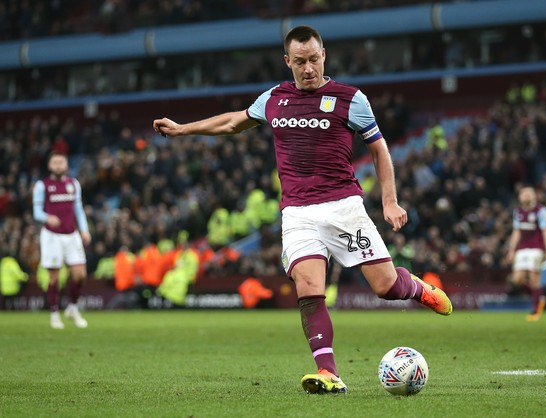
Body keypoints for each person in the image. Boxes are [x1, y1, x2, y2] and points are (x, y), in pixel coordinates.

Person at [153, 25, 452, 394]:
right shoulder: (274, 99)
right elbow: (233, 122)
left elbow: (379, 149)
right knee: (308, 288)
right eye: (299, 62)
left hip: (343, 207)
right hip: (297, 212)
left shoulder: (351, 99)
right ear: (287, 61)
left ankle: (416, 287)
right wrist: (182, 129)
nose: (308, 68)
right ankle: (328, 372)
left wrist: (389, 201)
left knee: (386, 287)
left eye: (313, 59)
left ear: (323, 55)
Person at [33, 151, 91, 329]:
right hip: (52, 236)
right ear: (50, 166)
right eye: (55, 163)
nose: (58, 166)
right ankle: (54, 314)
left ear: (66, 165)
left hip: (71, 234)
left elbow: (78, 209)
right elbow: (36, 212)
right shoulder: (42, 185)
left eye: (61, 162)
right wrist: (47, 217)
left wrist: (84, 230)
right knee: (54, 277)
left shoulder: (73, 184)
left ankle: (72, 308)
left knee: (80, 275)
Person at [505, 186, 546, 321]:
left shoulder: (541, 211)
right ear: (519, 196)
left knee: (534, 278)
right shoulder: (518, 212)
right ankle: (539, 297)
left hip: (536, 248)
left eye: (529, 193)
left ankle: (535, 310)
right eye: (524, 193)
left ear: (535, 196)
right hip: (522, 249)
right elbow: (516, 231)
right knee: (516, 280)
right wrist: (511, 250)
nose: (526, 195)